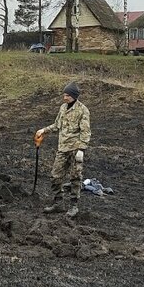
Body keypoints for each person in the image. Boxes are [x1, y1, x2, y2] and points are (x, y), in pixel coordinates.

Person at [34, 81, 91, 217]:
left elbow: (86, 131)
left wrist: (81, 150)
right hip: (62, 148)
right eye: (64, 95)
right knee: (55, 176)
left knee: (75, 177)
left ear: (74, 96)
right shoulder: (63, 108)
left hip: (75, 149)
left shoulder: (83, 110)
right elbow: (57, 125)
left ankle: (73, 206)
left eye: (67, 95)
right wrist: (43, 130)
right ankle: (58, 203)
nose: (64, 97)